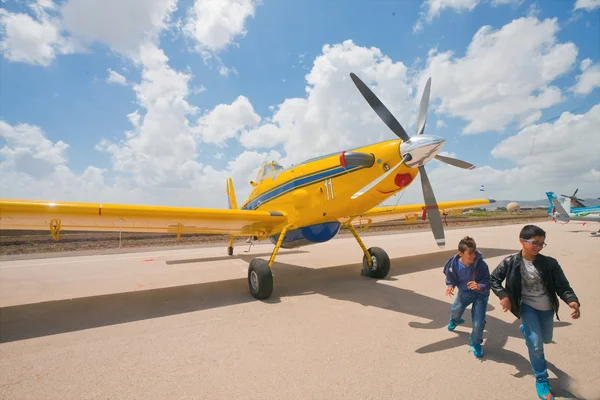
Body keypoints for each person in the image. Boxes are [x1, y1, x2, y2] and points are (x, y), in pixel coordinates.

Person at [489, 225, 581, 400]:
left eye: (542, 244)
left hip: (547, 309)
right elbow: (493, 279)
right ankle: (541, 380)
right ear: (522, 241)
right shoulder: (510, 262)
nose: (538, 247)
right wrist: (503, 296)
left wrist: (572, 301)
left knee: (545, 338)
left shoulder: (549, 263)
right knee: (537, 345)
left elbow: (563, 286)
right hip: (526, 307)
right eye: (535, 243)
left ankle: (529, 331)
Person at [443, 236, 490, 358]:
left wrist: (479, 285)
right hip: (464, 293)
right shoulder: (453, 264)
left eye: (474, 253)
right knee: (455, 311)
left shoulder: (481, 265)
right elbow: (450, 277)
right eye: (470, 254)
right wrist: (450, 286)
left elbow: (488, 281)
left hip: (481, 295)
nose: (473, 256)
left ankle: (475, 343)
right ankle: (455, 320)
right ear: (460, 253)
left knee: (478, 322)